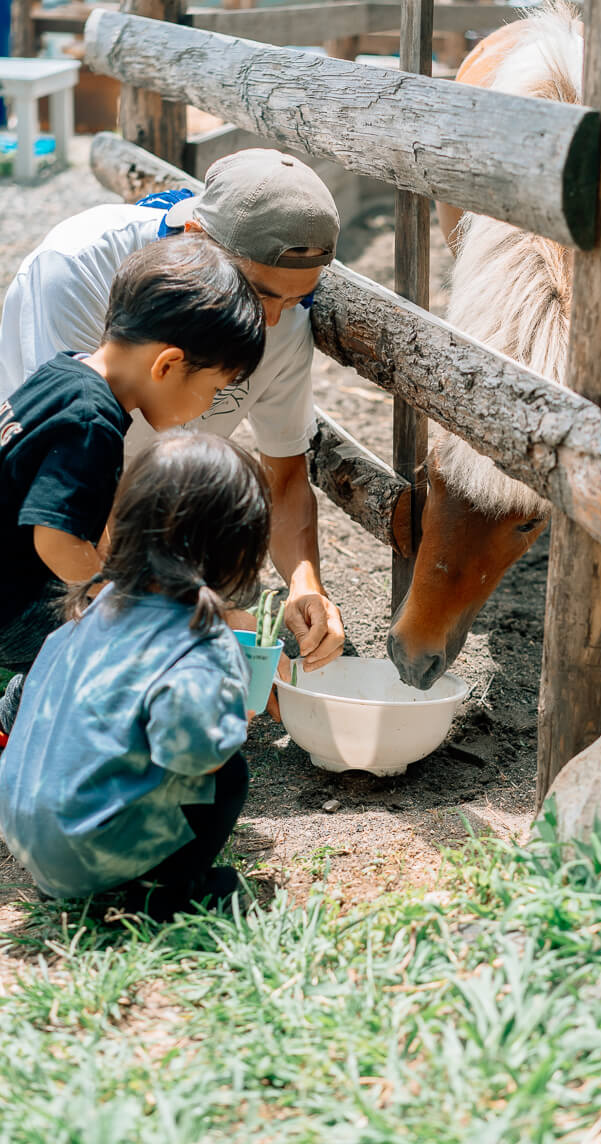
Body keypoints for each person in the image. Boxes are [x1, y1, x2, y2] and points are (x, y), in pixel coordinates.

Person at [0, 148, 346, 675]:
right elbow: (64, 528)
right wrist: (141, 606)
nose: (273, 322)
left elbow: (285, 475)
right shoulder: (76, 269)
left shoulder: (83, 371)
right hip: (31, 575)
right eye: (258, 293)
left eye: (297, 301)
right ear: (196, 240)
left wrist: (305, 581)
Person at [0, 233, 265, 735]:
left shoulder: (67, 373)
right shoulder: (91, 421)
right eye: (212, 389)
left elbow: (84, 516)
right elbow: (56, 539)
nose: (208, 408)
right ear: (167, 365)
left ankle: (24, 718)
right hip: (12, 604)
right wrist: (116, 605)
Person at [0, 432, 271, 920]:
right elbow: (194, 755)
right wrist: (231, 719)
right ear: (237, 550)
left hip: (27, 838)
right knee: (229, 776)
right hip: (90, 852)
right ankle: (169, 897)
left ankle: (71, 880)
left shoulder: (91, 610)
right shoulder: (198, 643)